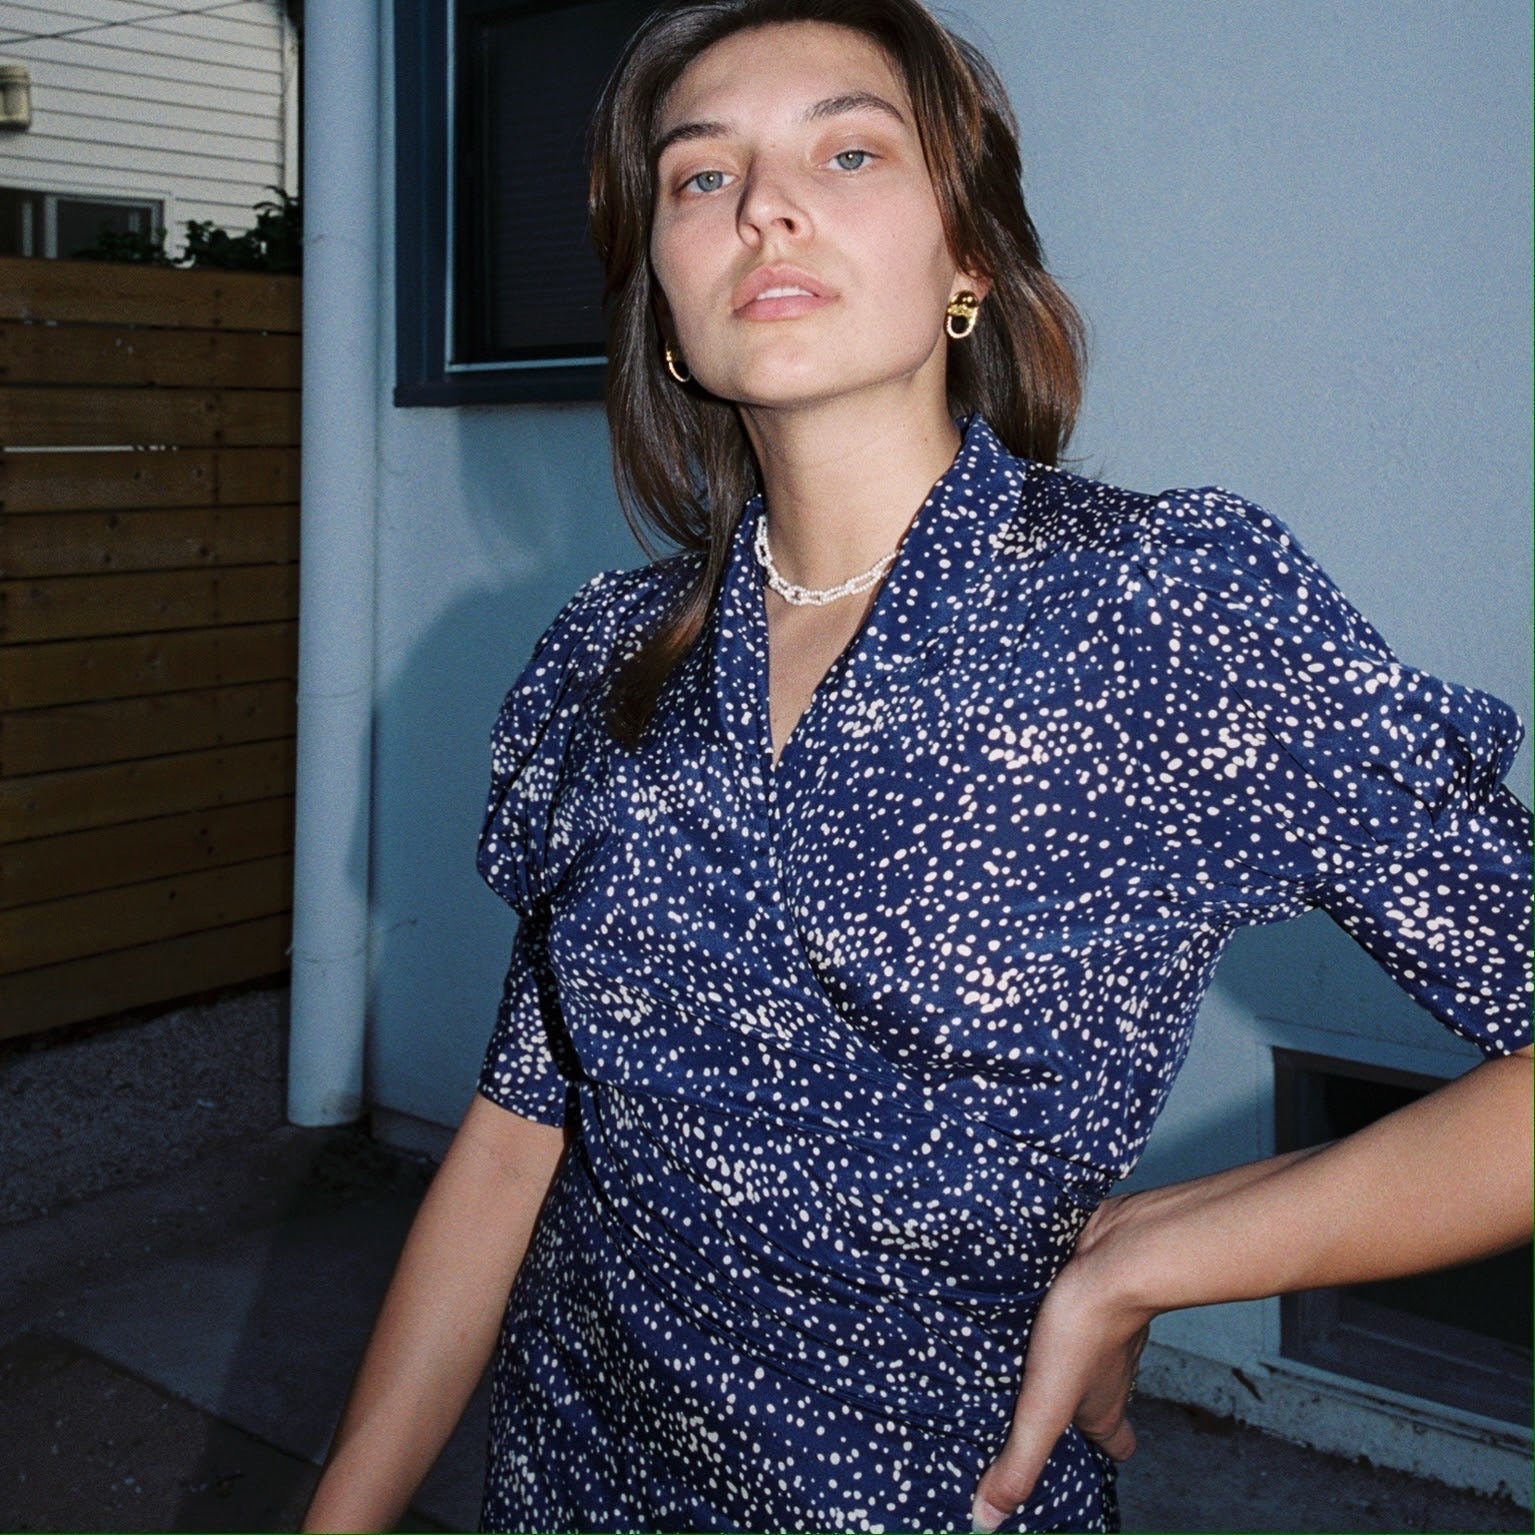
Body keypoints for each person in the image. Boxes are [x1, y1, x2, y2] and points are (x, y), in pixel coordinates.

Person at [303, 2, 1533, 1530]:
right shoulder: (607, 655)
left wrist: (1158, 1253)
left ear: (970, 262)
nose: (764, 205)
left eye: (850, 151)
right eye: (701, 176)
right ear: (664, 306)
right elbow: (512, 1140)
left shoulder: (1160, 609)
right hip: (575, 1472)